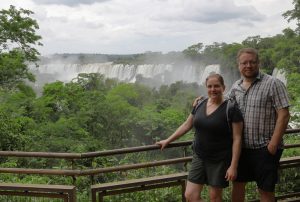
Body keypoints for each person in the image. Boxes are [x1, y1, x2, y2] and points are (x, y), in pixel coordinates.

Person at [156, 73, 243, 202]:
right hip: (199, 156)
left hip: (219, 160)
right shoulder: (200, 104)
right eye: (210, 86)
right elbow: (187, 125)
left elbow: (237, 139)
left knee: (215, 197)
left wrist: (233, 166)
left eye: (217, 86)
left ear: (224, 87)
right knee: (190, 195)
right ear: (206, 87)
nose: (213, 89)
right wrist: (168, 140)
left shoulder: (231, 108)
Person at [228, 48, 290, 202]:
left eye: (252, 62)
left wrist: (274, 144)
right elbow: (223, 106)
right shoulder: (236, 86)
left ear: (258, 63)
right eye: (244, 63)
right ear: (239, 65)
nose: (248, 65)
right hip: (241, 149)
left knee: (265, 190)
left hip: (265, 148)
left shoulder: (273, 83)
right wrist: (203, 101)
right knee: (238, 185)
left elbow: (284, 114)